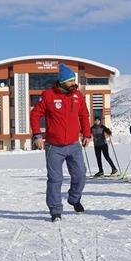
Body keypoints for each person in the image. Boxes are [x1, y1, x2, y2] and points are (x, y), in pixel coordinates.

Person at [30, 63, 91, 222]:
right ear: (63, 81)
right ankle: (55, 211)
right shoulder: (48, 95)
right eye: (70, 81)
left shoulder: (77, 95)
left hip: (73, 145)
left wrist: (87, 134)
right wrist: (37, 135)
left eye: (74, 80)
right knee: (55, 179)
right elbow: (35, 115)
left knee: (80, 175)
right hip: (53, 146)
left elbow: (84, 115)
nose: (73, 83)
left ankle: (74, 199)